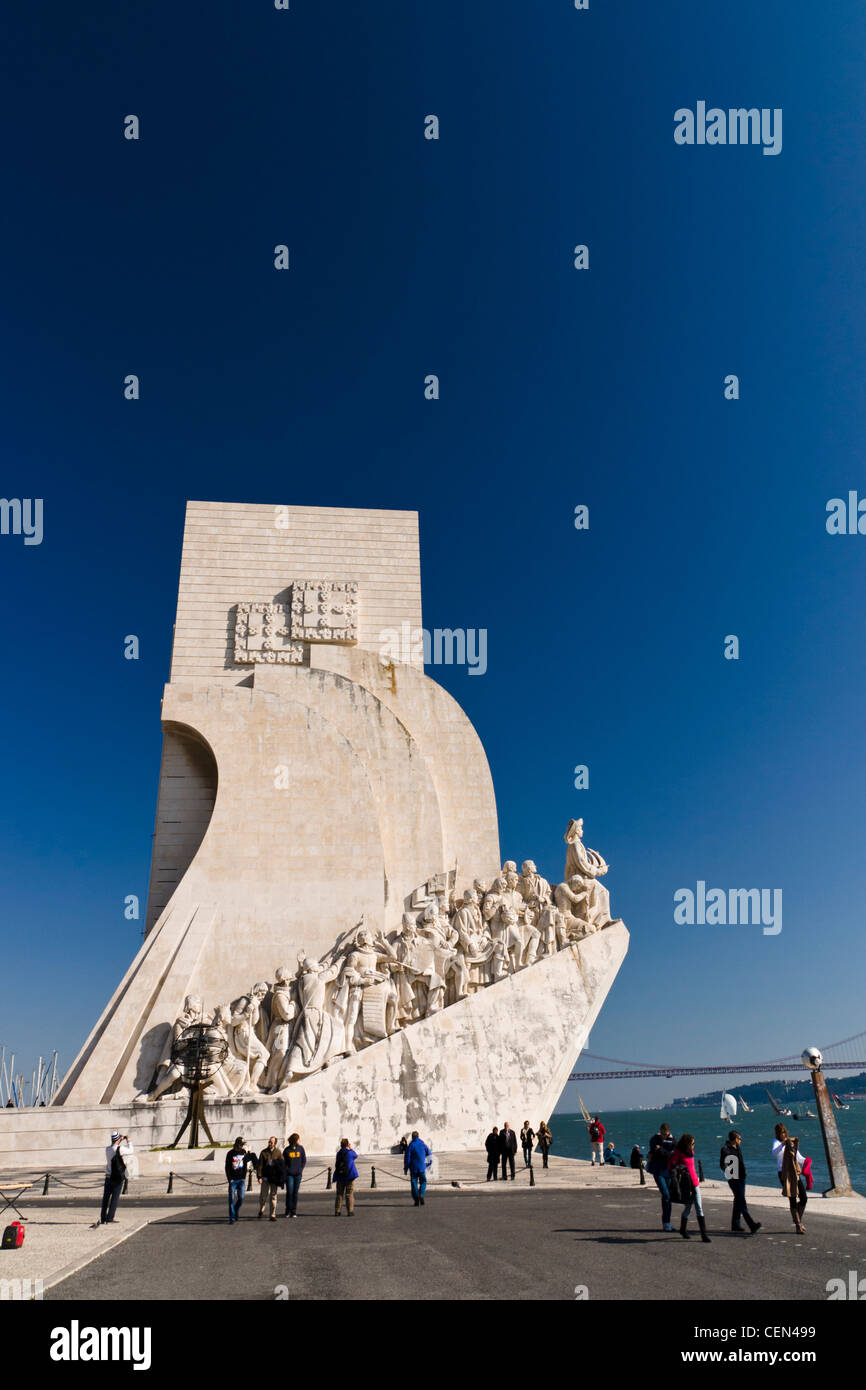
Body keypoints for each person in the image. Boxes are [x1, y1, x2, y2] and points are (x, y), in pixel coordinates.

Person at [669, 1134, 710, 1243]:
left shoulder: (691, 1152)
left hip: (695, 1183)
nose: (694, 1145)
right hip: (687, 1184)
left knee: (695, 1207)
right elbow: (671, 1166)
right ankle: (699, 1234)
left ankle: (693, 1232)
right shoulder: (678, 1152)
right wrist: (680, 1169)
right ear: (687, 1143)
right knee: (692, 1207)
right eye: (692, 1143)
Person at [719, 1131, 761, 1235]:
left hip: (741, 1177)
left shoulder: (737, 1147)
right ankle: (751, 1224)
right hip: (733, 1178)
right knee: (741, 1201)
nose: (741, 1141)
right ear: (735, 1139)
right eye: (740, 1139)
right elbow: (722, 1164)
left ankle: (735, 1224)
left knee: (738, 1200)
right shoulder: (726, 1149)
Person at [772, 1124, 807, 1234]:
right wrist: (783, 1144)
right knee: (792, 1198)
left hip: (794, 1172)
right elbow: (774, 1152)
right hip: (784, 1173)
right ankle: (798, 1224)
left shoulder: (790, 1142)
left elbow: (799, 1157)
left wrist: (808, 1162)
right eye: (780, 1132)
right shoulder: (776, 1142)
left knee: (804, 1197)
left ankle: (797, 1218)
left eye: (783, 1132)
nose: (782, 1134)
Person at [100, 1130, 133, 1225]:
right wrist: (128, 1140)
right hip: (117, 1177)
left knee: (106, 1198)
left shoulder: (107, 1149)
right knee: (114, 1198)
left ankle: (103, 1218)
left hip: (108, 1176)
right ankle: (110, 1218)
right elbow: (131, 1150)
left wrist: (120, 1139)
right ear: (118, 1139)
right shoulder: (120, 1149)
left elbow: (115, 1145)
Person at [647, 1122, 675, 1231]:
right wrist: (663, 1152)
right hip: (657, 1170)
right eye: (662, 1133)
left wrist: (661, 1150)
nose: (663, 1136)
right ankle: (666, 1223)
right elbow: (655, 1151)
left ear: (668, 1132)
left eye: (665, 1134)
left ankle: (666, 1222)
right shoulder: (654, 1139)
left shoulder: (673, 1140)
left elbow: (672, 1154)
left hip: (668, 1171)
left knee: (668, 1197)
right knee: (666, 1194)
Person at [225, 1135, 254, 1224]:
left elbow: (245, 1164)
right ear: (237, 1144)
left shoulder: (243, 1152)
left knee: (241, 1198)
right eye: (241, 1144)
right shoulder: (230, 1153)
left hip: (241, 1180)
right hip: (233, 1180)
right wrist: (230, 1179)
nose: (242, 1146)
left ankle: (236, 1210)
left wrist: (244, 1177)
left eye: (243, 1145)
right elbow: (227, 1167)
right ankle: (232, 1218)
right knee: (231, 1200)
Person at [257, 1136, 285, 1221]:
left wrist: (281, 1177)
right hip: (265, 1177)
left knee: (273, 1196)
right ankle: (261, 1209)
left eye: (271, 1142)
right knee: (263, 1196)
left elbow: (282, 1164)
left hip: (274, 1178)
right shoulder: (263, 1152)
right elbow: (260, 1166)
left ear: (275, 1143)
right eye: (269, 1142)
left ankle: (272, 1215)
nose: (269, 1143)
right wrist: (259, 1177)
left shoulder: (278, 1152)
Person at [404, 1130, 431, 1205]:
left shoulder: (411, 1145)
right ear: (418, 1137)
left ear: (412, 1137)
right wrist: (428, 1164)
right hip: (422, 1167)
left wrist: (406, 1168)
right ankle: (421, 1194)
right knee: (423, 1181)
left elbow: (407, 1158)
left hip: (413, 1168)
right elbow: (429, 1153)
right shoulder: (423, 1144)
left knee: (414, 1183)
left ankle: (416, 1200)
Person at [283, 1132, 306, 1218]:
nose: (299, 1140)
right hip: (289, 1175)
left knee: (295, 1193)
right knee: (290, 1192)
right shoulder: (287, 1150)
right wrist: (287, 1171)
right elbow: (284, 1163)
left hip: (298, 1174)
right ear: (295, 1140)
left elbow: (304, 1160)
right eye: (298, 1139)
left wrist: (300, 1169)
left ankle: (294, 1211)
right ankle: (288, 1210)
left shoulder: (301, 1149)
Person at [334, 1137, 359, 1216]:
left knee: (339, 1194)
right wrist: (351, 1148)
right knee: (349, 1194)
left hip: (340, 1176)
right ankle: (350, 1211)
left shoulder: (338, 1153)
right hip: (349, 1176)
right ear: (347, 1144)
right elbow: (356, 1155)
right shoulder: (350, 1153)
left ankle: (337, 1211)